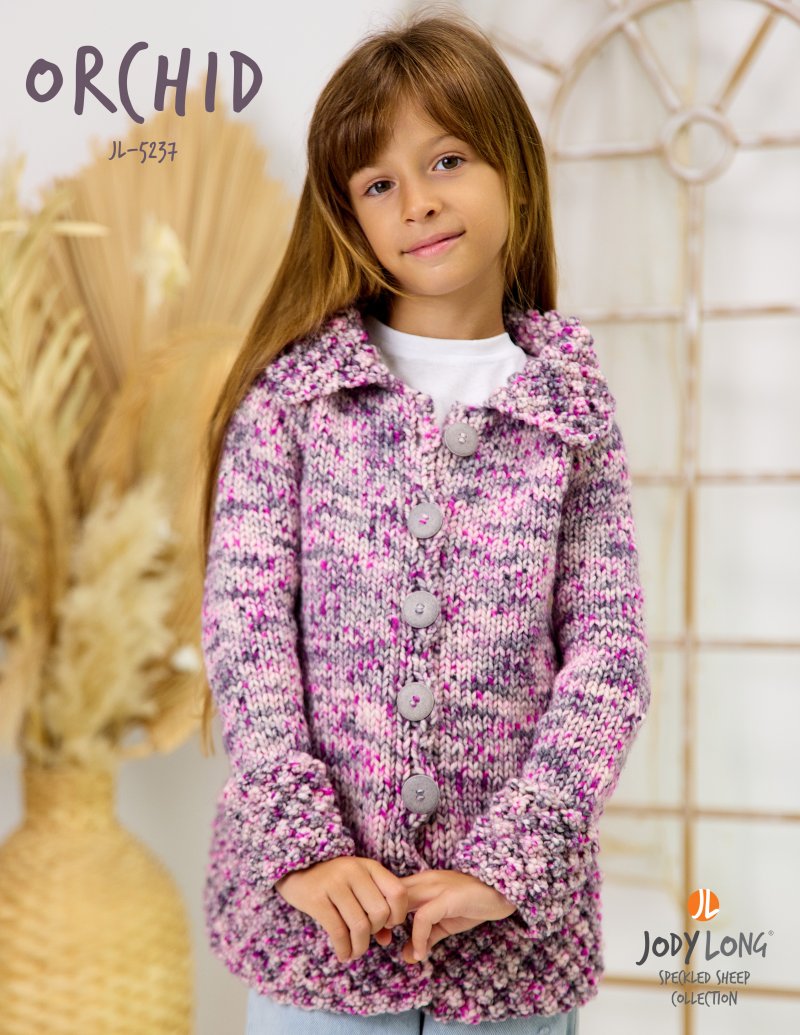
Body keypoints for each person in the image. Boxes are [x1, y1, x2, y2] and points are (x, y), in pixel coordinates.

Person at [198, 7, 651, 1034]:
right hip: (319, 935)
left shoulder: (568, 408)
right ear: (347, 215)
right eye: (378, 183)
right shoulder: (295, 400)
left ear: (513, 170)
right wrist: (304, 845)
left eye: (446, 159)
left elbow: (608, 656)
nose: (419, 202)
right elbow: (246, 630)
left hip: (508, 944)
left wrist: (513, 857)